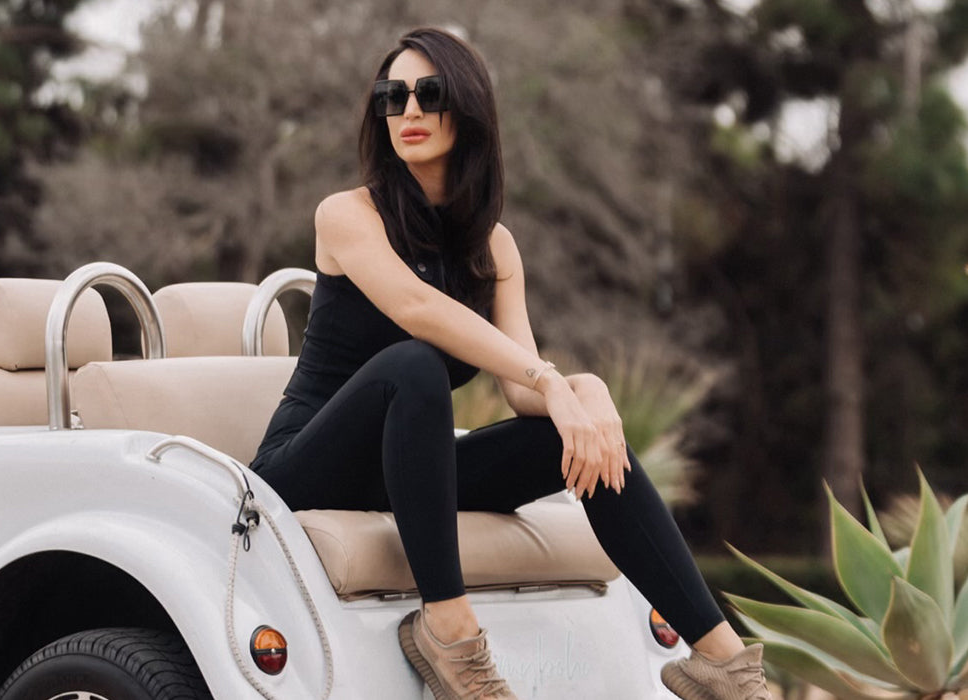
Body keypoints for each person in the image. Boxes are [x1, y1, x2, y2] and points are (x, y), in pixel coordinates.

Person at [249, 27, 772, 700]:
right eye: (392, 96)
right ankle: (449, 632)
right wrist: (551, 379)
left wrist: (587, 393)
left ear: (466, 109)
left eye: (428, 93)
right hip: (307, 467)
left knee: (571, 429)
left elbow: (521, 387)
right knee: (414, 364)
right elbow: (419, 310)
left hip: (413, 474)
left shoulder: (494, 248)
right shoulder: (348, 214)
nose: (408, 111)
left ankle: (724, 664)